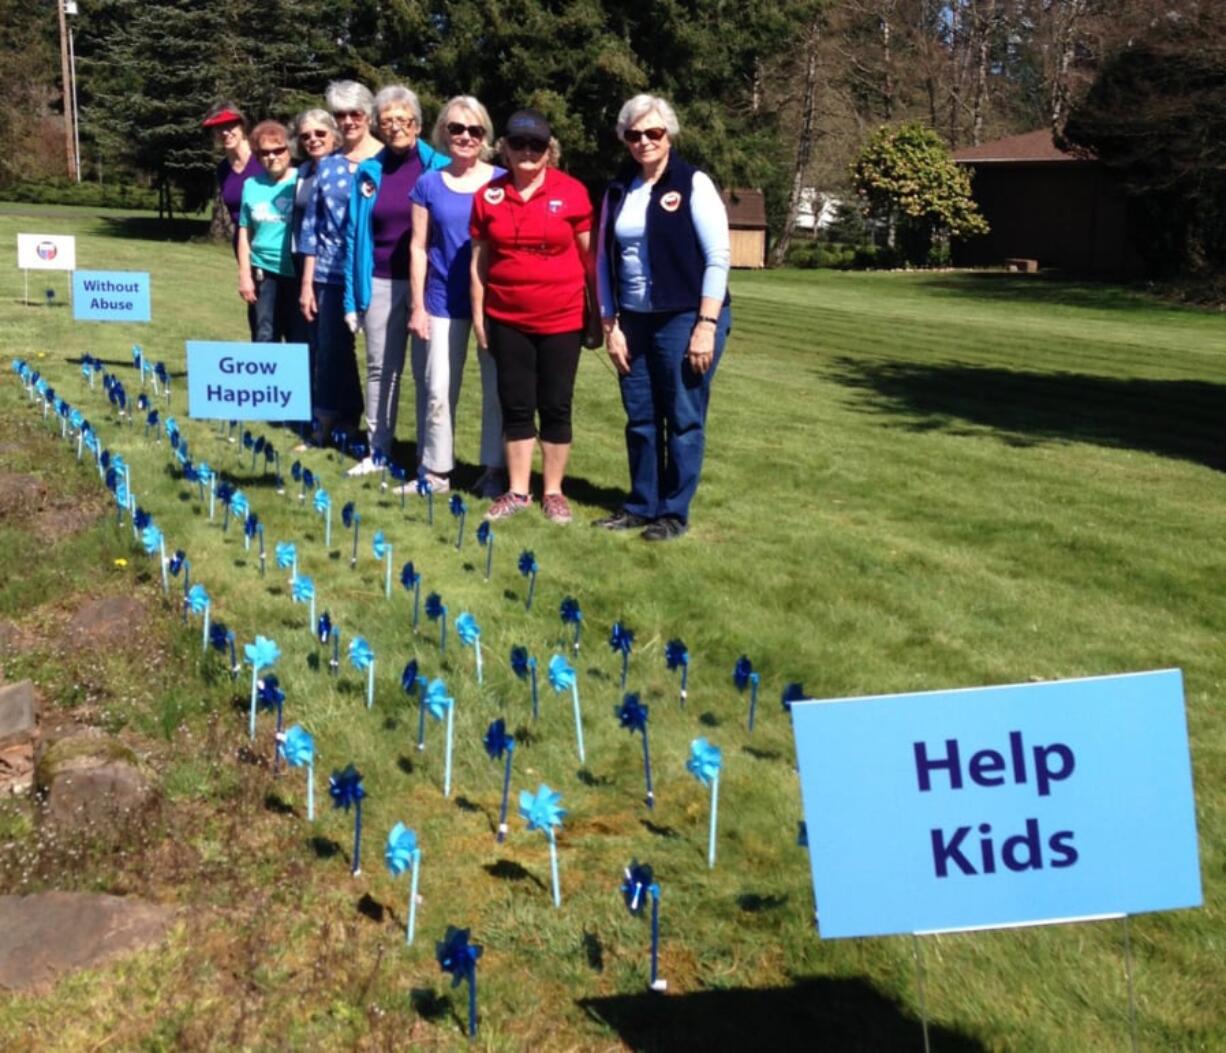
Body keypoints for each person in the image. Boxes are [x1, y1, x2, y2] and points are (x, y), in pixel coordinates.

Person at [594, 94, 731, 541]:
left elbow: (718, 257)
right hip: (632, 318)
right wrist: (610, 324)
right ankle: (641, 504)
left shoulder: (693, 183)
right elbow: (601, 261)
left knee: (683, 416)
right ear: (624, 139)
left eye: (653, 133)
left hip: (686, 316)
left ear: (668, 134)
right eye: (634, 135)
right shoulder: (619, 188)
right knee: (641, 416)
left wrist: (705, 326)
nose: (644, 142)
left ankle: (673, 513)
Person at [470, 109, 595, 525]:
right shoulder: (488, 195)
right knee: (516, 406)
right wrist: (478, 315)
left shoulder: (573, 192)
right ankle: (518, 491)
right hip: (507, 317)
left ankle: (554, 492)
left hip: (563, 317)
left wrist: (601, 316)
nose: (526, 152)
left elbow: (589, 257)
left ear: (549, 150)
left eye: (536, 146)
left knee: (556, 405)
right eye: (518, 144)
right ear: (504, 148)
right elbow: (479, 264)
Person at [343, 84, 448, 476]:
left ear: (417, 125)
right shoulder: (369, 171)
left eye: (402, 120)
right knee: (381, 369)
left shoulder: (437, 166)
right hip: (381, 280)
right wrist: (352, 300)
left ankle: (428, 456)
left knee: (428, 375)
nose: (394, 127)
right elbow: (355, 233)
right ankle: (378, 451)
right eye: (386, 121)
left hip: (429, 286)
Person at [408, 95, 506, 496]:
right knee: (438, 389)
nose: (465, 137)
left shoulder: (502, 180)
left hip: (495, 302)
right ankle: (436, 471)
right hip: (441, 299)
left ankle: (494, 471)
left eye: (474, 130)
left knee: (496, 389)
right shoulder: (428, 182)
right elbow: (418, 246)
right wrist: (417, 306)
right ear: (443, 132)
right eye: (456, 128)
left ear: (485, 135)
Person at [300, 81, 382, 446]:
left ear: (369, 115)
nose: (348, 121)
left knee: (380, 360)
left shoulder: (386, 160)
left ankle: (380, 434)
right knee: (331, 349)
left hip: (379, 271)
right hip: (330, 272)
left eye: (355, 113)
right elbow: (311, 226)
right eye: (341, 115)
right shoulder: (327, 167)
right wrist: (307, 284)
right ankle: (334, 416)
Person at [290, 108, 339, 426]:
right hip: (303, 264)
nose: (313, 139)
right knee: (312, 342)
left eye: (320, 133)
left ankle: (334, 416)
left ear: (333, 135)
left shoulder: (345, 169)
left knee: (331, 347)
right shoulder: (304, 171)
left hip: (333, 267)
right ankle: (310, 409)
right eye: (306, 135)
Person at [237, 120, 299, 343]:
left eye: (278, 150)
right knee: (264, 334)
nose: (272, 157)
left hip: (296, 271)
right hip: (263, 271)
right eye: (264, 153)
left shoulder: (302, 180)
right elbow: (245, 231)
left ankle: (299, 379)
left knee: (298, 336)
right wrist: (245, 274)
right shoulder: (251, 185)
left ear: (289, 149)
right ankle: (266, 379)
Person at [204, 101, 262, 338]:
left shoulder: (263, 156)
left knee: (285, 314)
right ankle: (264, 367)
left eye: (230, 126)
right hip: (244, 244)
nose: (225, 133)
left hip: (275, 242)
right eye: (219, 128)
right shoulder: (223, 168)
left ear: (242, 125)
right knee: (257, 312)